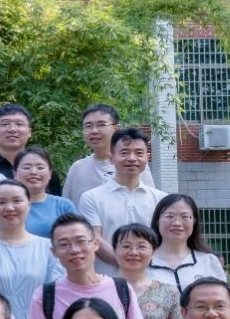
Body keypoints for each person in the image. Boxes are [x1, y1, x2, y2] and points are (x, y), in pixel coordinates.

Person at [25, 214, 154, 319]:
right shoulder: (45, 295)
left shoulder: (121, 290)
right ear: (54, 251)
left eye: (81, 241)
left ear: (95, 243)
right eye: (64, 244)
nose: (74, 250)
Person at [0, 180, 65, 319]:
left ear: (29, 205)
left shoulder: (49, 249)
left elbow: (58, 295)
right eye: (1, 202)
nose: (9, 208)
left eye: (17, 201)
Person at [79, 128, 165, 272]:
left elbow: (165, 241)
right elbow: (94, 238)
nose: (132, 158)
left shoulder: (161, 199)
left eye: (139, 153)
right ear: (111, 158)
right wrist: (131, 265)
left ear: (147, 157)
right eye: (124, 152)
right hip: (108, 280)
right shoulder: (91, 198)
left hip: (151, 280)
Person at [114, 224, 191, 319]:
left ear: (153, 251)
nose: (133, 252)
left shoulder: (169, 292)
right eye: (126, 246)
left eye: (141, 246)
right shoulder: (101, 290)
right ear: (114, 250)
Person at [63, 103, 155, 206]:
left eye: (101, 124)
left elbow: (149, 202)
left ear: (116, 129)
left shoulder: (132, 164)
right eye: (88, 126)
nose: (94, 131)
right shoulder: (77, 168)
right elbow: (66, 208)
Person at [149, 194, 228, 293]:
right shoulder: (143, 261)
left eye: (185, 217)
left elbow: (223, 298)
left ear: (194, 221)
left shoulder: (209, 261)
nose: (177, 223)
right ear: (157, 221)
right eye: (169, 216)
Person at [0, 104, 63, 197]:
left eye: (19, 124)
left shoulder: (42, 171)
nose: (12, 129)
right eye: (5, 124)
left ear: (29, 132)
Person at [17, 147, 76, 238]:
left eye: (40, 167)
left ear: (50, 173)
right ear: (15, 173)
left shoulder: (63, 206)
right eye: (26, 167)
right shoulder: (7, 206)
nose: (33, 172)